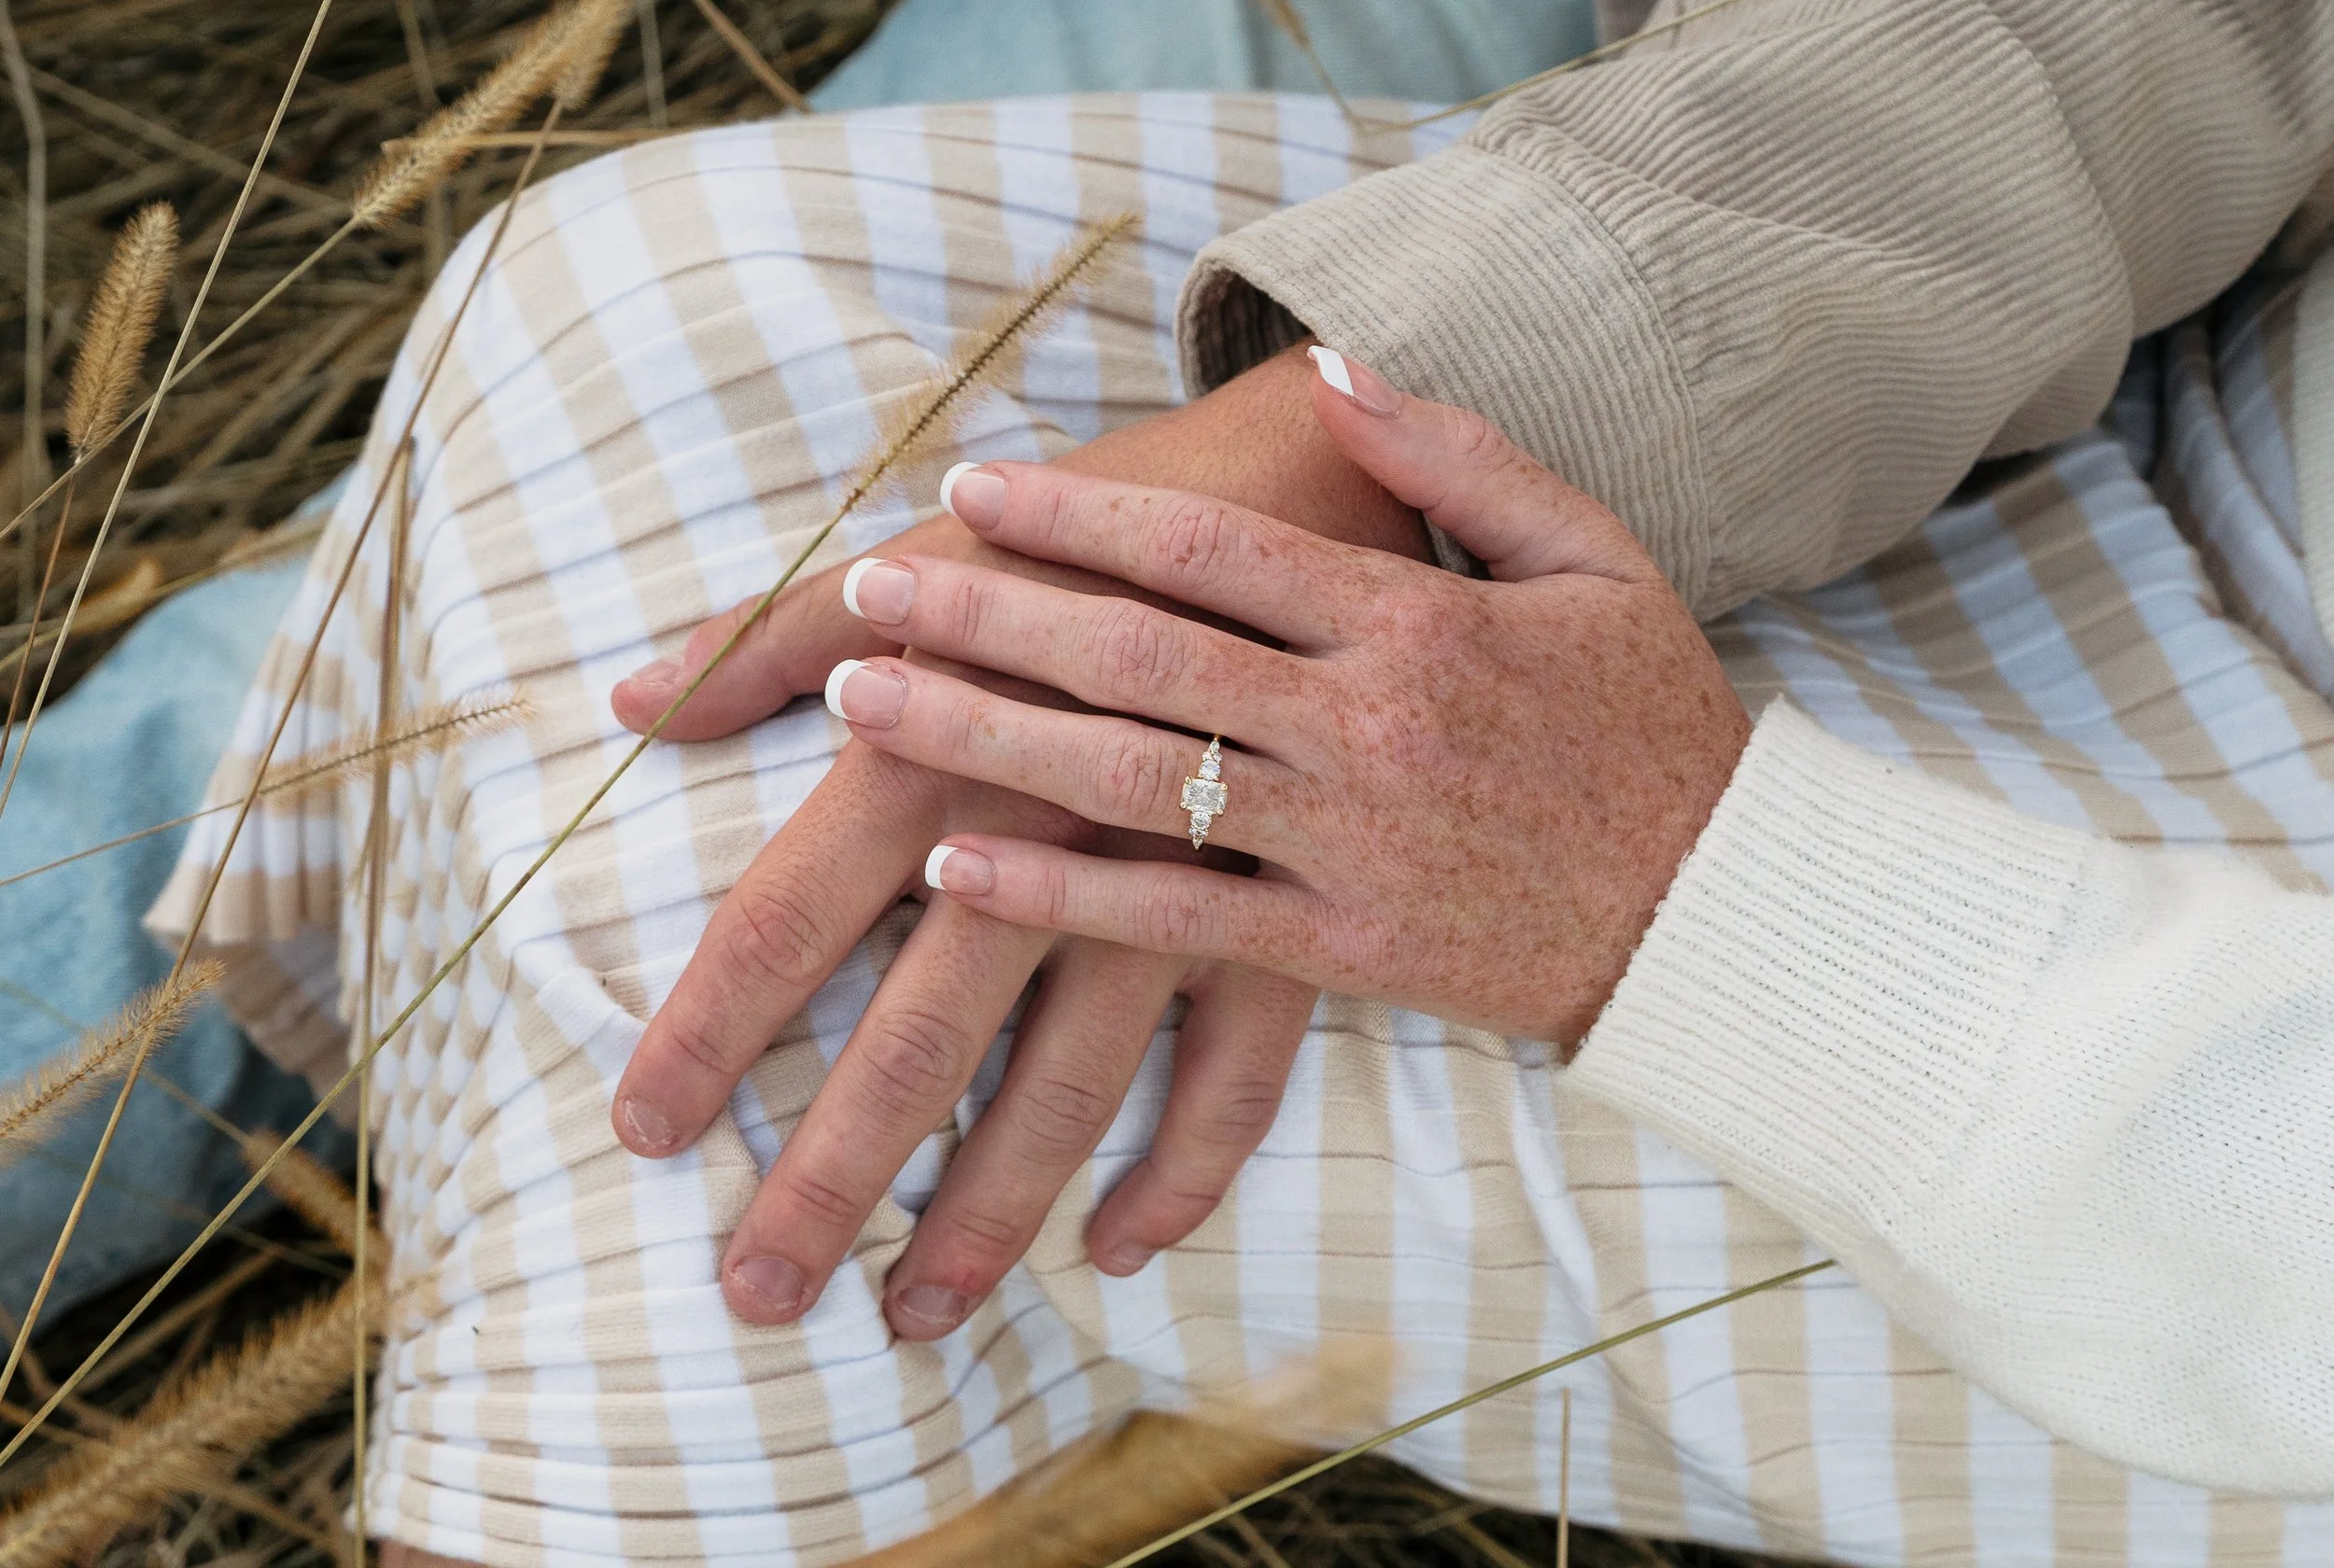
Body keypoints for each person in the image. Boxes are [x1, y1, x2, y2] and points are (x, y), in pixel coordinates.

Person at [138, 0, 2334, 1562]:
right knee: (620, 312)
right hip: (2139, 305)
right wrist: (1416, 413)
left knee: (736, 995)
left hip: (2169, 1057)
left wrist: (1680, 891)